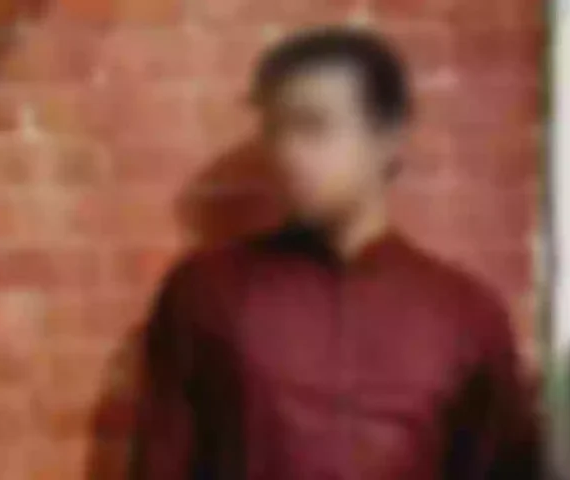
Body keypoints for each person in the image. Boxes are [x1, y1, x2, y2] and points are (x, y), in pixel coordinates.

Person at [131, 26, 541, 480]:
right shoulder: (208, 293)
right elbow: (161, 460)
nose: (287, 152)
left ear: (389, 138)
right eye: (275, 129)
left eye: (313, 127)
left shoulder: (465, 316)